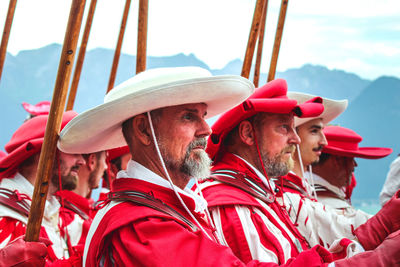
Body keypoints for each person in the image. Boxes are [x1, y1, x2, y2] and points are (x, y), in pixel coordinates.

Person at [59, 66, 316, 266]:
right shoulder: (141, 226)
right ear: (144, 129)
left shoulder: (159, 208)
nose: (206, 129)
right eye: (188, 117)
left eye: (203, 116)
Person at [199, 80, 400, 266]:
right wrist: (380, 258)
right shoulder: (232, 204)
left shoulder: (257, 195)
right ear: (248, 134)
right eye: (284, 128)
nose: (296, 139)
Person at [0, 111, 86, 264]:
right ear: (44, 155)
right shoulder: (5, 215)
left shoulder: (60, 211)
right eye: (73, 151)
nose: (82, 161)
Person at [312, 125, 392, 218]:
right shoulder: (331, 206)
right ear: (337, 161)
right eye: (351, 159)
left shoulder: (308, 195)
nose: (354, 165)